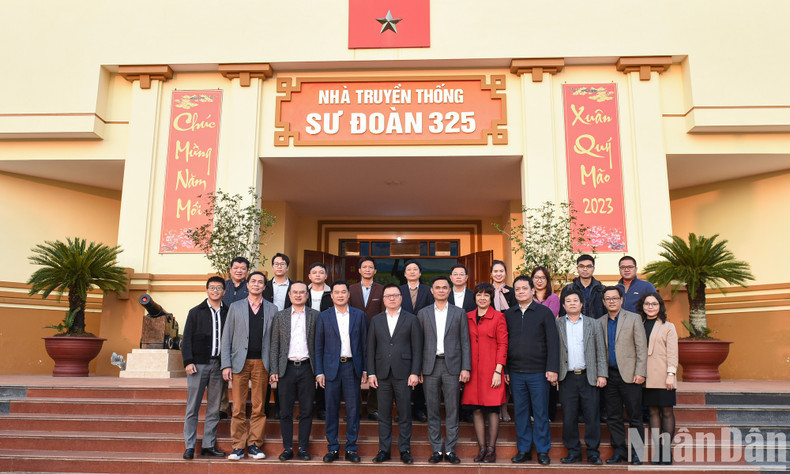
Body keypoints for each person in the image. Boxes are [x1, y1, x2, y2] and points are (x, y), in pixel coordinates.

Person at [221, 271, 278, 461]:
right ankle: (238, 446)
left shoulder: (272, 309)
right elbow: (226, 337)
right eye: (253, 281)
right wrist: (226, 364)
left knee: (258, 406)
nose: (256, 284)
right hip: (239, 362)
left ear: (264, 286)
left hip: (262, 362)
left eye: (260, 282)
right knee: (238, 407)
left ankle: (254, 444)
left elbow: (275, 341)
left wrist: (274, 368)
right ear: (247, 285)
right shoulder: (235, 307)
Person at [503, 275, 558, 465]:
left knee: (541, 413)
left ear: (532, 290)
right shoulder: (508, 314)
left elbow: (553, 342)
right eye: (517, 289)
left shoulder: (544, 312)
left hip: (539, 373)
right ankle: (524, 449)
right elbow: (504, 344)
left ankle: (542, 450)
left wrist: (552, 368)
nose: (520, 292)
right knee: (521, 413)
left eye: (524, 288)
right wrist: (506, 369)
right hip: (516, 373)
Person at [417, 276, 470, 464]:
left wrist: (465, 367)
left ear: (449, 291)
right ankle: (437, 450)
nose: (441, 290)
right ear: (432, 291)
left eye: (444, 287)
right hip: (429, 366)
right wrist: (418, 369)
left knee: (452, 409)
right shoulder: (423, 313)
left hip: (452, 366)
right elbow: (418, 343)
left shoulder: (459, 313)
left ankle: (450, 449)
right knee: (432, 409)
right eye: (437, 287)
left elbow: (465, 342)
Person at [367, 283, 422, 464]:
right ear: (383, 300)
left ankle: (405, 450)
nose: (392, 298)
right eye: (388, 296)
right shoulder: (376, 320)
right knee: (383, 415)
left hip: (404, 373)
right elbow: (370, 348)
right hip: (381, 374)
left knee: (405, 414)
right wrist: (371, 373)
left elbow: (417, 348)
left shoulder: (411, 319)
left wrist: (415, 372)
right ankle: (384, 450)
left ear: (401, 298)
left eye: (395, 295)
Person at [315, 280, 368, 463]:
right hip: (331, 368)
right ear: (331, 296)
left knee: (353, 409)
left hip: (352, 367)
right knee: (331, 409)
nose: (340, 295)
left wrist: (365, 369)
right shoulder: (324, 316)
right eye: (336, 292)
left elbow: (364, 344)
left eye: (343, 292)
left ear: (348, 294)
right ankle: (333, 447)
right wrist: (319, 371)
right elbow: (318, 346)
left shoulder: (359, 315)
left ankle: (351, 448)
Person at [556, 289, 608, 465]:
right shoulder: (557, 324)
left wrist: (602, 374)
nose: (572, 303)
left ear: (581, 304)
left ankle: (593, 452)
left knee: (592, 415)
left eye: (575, 300)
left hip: (589, 376)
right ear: (564, 305)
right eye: (568, 301)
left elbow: (601, 350)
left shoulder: (593, 323)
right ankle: (573, 451)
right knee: (569, 416)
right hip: (567, 377)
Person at [268, 281, 318, 461]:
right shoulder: (280, 316)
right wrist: (274, 369)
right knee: (285, 411)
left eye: (302, 292)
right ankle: (287, 447)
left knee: (306, 410)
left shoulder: (316, 316)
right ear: (289, 295)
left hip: (307, 368)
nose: (298, 295)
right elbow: (274, 345)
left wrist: (319, 371)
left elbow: (319, 345)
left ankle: (303, 448)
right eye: (294, 292)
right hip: (286, 368)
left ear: (307, 295)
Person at [181, 276, 228, 460]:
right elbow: (186, 339)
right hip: (197, 365)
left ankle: (208, 444)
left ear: (224, 291)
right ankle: (189, 446)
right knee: (193, 407)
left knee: (214, 408)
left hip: (218, 366)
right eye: (212, 287)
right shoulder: (195, 312)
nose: (215, 291)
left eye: (219, 288)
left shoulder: (228, 312)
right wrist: (188, 361)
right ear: (207, 290)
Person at [599, 286, 647, 465]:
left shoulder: (634, 318)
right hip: (609, 376)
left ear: (621, 300)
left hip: (630, 375)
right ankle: (619, 451)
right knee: (613, 416)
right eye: (608, 299)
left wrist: (640, 372)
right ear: (603, 302)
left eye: (614, 298)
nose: (611, 301)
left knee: (635, 416)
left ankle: (637, 454)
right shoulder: (600, 322)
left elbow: (641, 348)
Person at [462, 282, 508, 463]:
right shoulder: (467, 317)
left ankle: (491, 449)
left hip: (492, 371)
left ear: (491, 298)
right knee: (476, 409)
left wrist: (498, 370)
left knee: (492, 409)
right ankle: (481, 448)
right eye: (479, 295)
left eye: (486, 295)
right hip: (473, 372)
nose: (482, 298)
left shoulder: (498, 317)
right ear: (474, 297)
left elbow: (503, 344)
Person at [638, 292, 678, 465]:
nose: (650, 307)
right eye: (647, 304)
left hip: (664, 375)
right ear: (642, 306)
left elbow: (672, 353)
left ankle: (666, 450)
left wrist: (671, 374)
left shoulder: (668, 326)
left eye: (654, 304)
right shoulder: (639, 324)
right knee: (653, 411)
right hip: (646, 376)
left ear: (660, 306)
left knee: (666, 412)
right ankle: (657, 450)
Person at [349, 256, 384, 420]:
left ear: (375, 271)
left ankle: (373, 409)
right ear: (359, 270)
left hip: (376, 336)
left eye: (371, 267)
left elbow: (384, 314)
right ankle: (354, 409)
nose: (368, 269)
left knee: (375, 371)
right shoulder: (351, 289)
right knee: (354, 372)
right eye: (365, 267)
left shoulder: (381, 289)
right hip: (354, 335)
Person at [399, 259, 433, 422]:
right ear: (405, 274)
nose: (412, 272)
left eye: (415, 269)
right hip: (402, 337)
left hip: (424, 335)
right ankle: (402, 410)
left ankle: (419, 409)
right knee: (402, 374)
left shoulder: (428, 291)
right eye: (409, 269)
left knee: (420, 373)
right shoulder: (399, 291)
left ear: (420, 273)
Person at [220, 256, 251, 418]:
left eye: (243, 268)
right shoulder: (223, 286)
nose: (239, 271)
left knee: (241, 371)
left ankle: (241, 406)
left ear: (247, 271)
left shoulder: (250, 287)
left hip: (242, 335)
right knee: (222, 369)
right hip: (223, 332)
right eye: (236, 268)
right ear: (230, 269)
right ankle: (223, 406)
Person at [263, 252, 292, 420]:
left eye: (282, 264)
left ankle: (281, 408)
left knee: (284, 370)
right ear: (272, 267)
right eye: (276, 264)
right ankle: (264, 408)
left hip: (288, 331)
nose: (279, 266)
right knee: (266, 368)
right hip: (266, 331)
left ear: (287, 267)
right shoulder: (264, 286)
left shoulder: (295, 287)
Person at [489, 260, 515, 421]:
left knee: (506, 373)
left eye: (501, 271)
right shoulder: (487, 291)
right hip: (491, 336)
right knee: (494, 372)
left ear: (505, 273)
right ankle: (495, 408)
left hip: (509, 335)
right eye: (495, 271)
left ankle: (504, 408)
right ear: (491, 274)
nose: (498, 274)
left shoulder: (512, 291)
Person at [559, 254, 606, 319]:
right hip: (574, 324)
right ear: (577, 268)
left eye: (589, 266)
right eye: (581, 266)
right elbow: (562, 313)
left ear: (593, 268)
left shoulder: (602, 289)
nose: (585, 269)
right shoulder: (568, 289)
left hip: (597, 324)